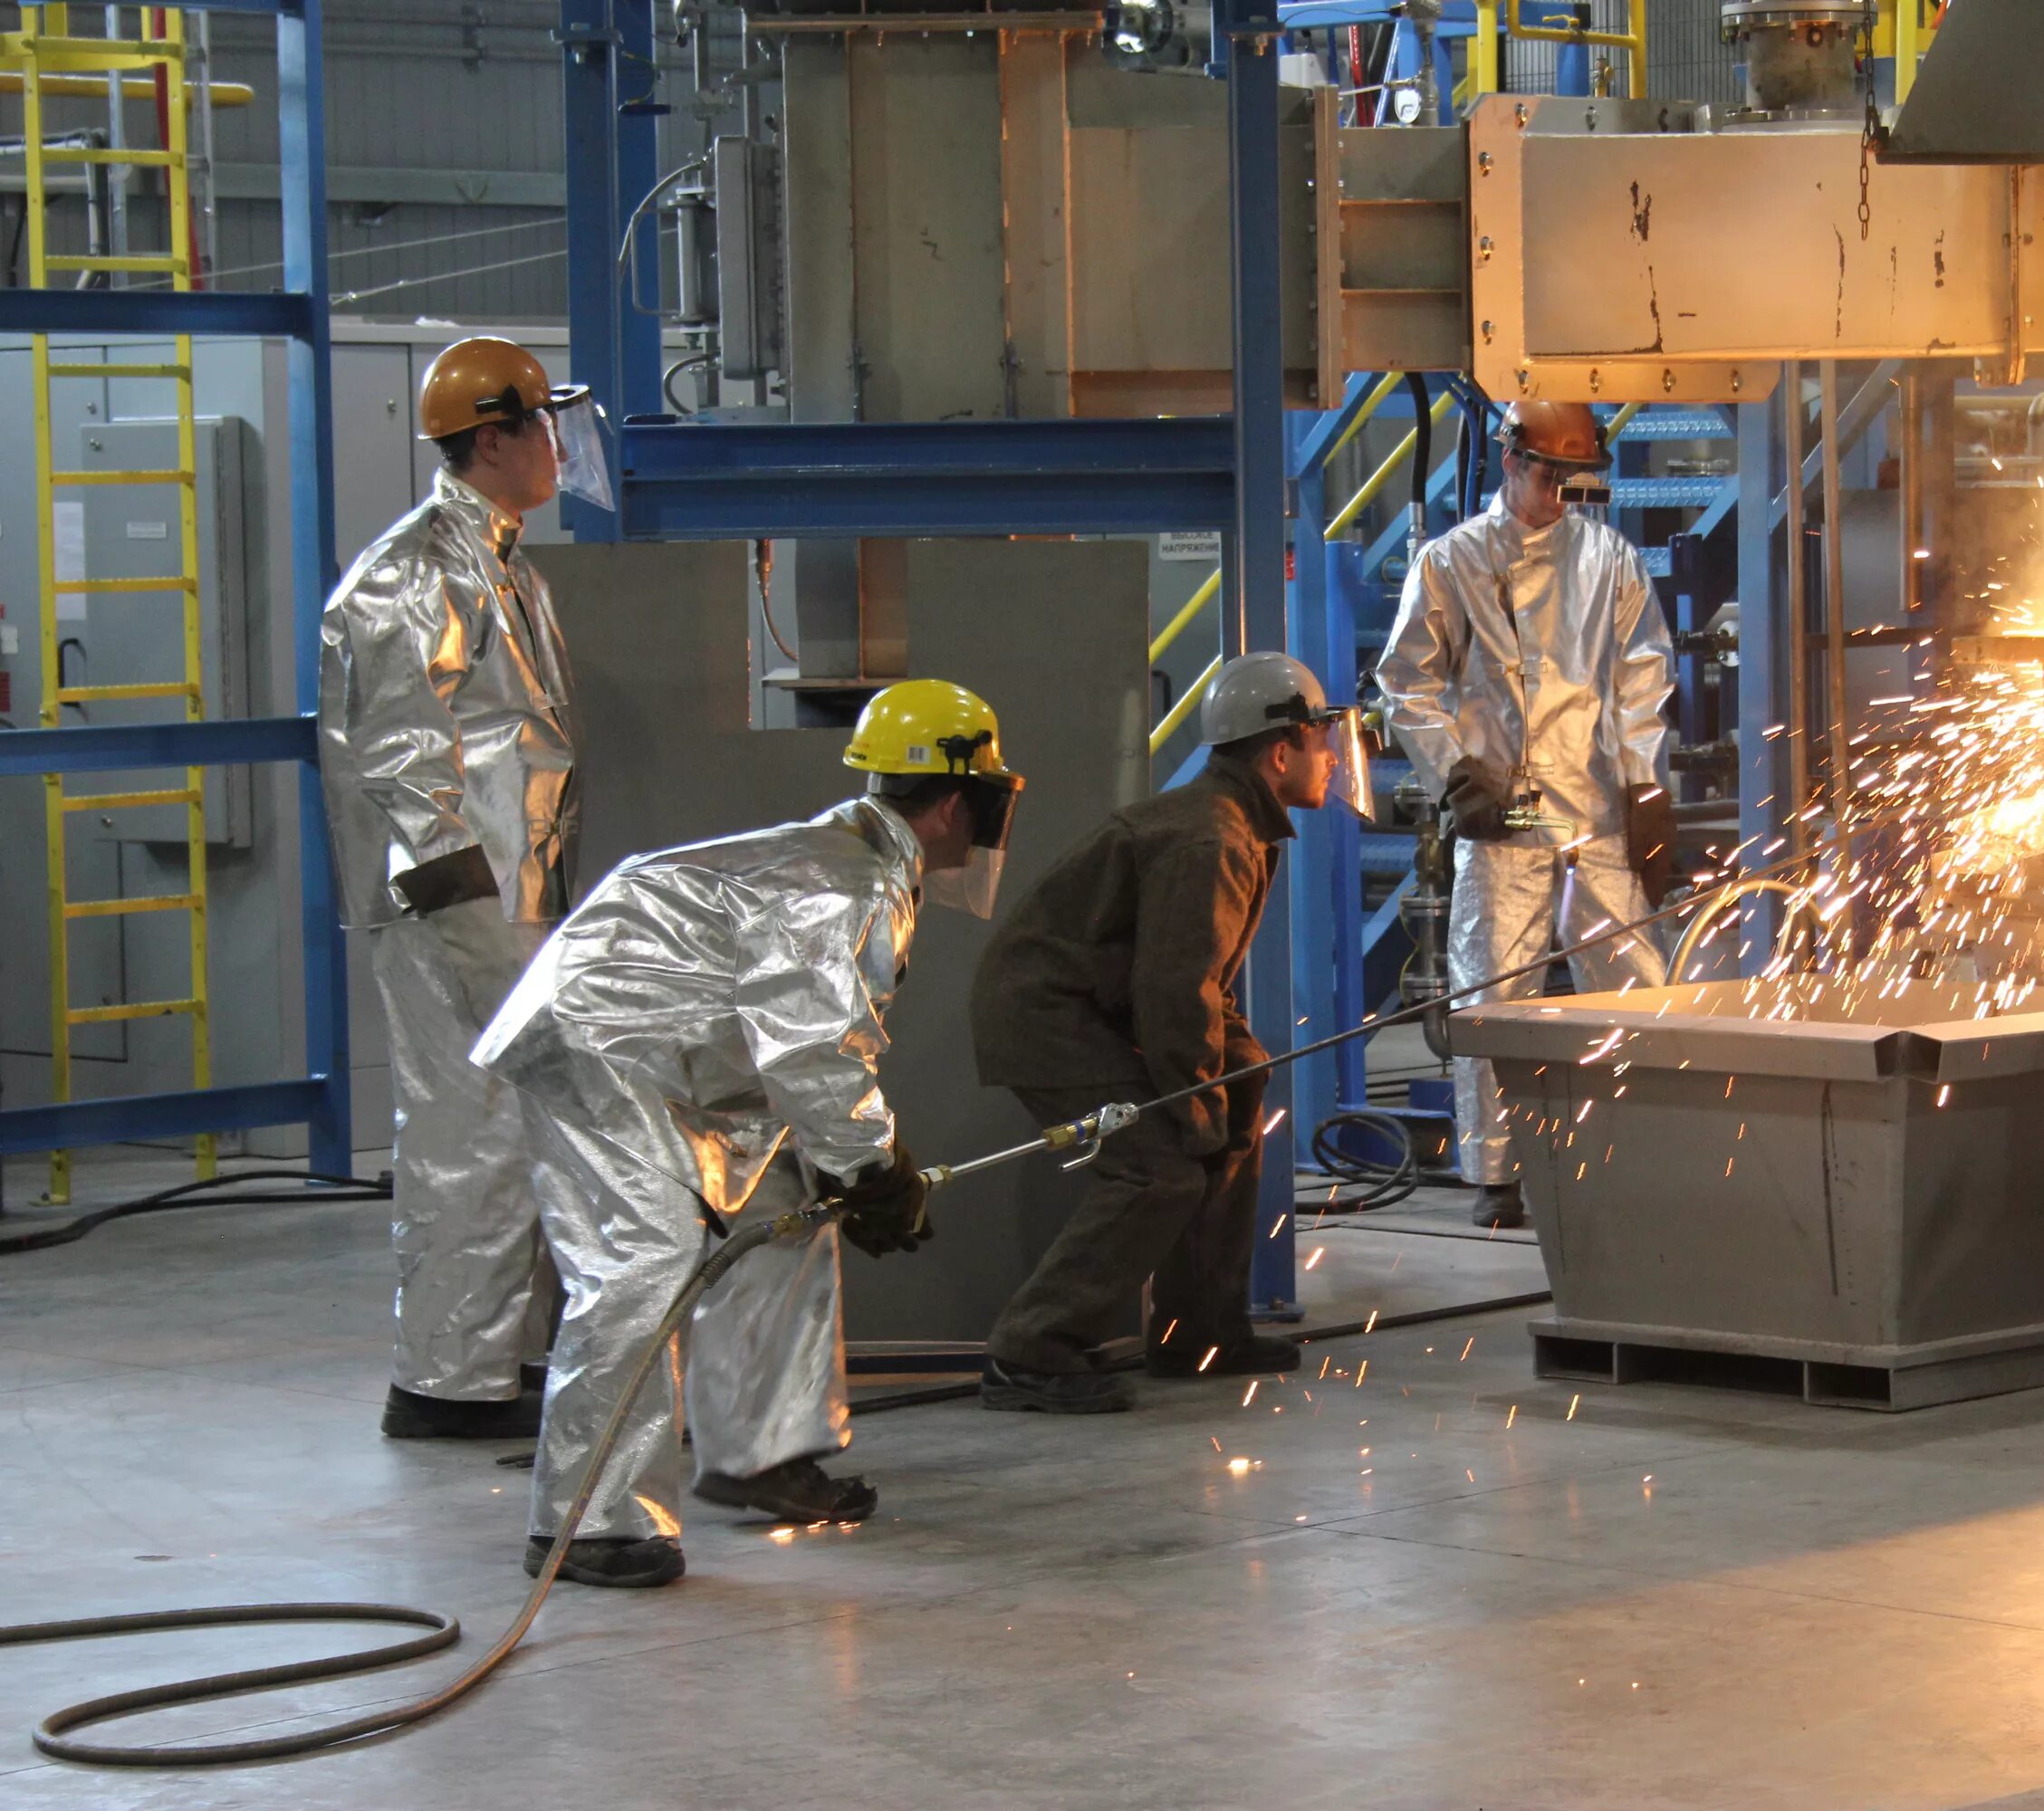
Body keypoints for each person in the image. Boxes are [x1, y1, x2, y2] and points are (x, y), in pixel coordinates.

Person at [472, 681, 1023, 1588]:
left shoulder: (852, 857)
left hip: (681, 1057)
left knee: (794, 1216)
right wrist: (877, 1168)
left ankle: (759, 1452)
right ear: (960, 802)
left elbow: (800, 1040)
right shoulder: (842, 880)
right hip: (603, 1045)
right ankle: (591, 1522)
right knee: (640, 1266)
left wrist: (852, 1173)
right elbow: (814, 1041)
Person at [317, 336, 616, 1439]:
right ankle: (445, 1381)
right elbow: (402, 767)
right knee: (469, 1129)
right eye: (543, 425)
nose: (558, 447)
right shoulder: (410, 575)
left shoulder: (498, 559)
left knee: (515, 1124)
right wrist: (475, 922)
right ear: (493, 438)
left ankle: (499, 1360)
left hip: (511, 889)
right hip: (457, 901)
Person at [971, 652, 1369, 1413]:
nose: (1332, 757)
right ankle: (1030, 1349)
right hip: (1045, 1015)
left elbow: (1193, 981)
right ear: (1279, 752)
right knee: (1163, 1169)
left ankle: (1200, 1331)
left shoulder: (1232, 821)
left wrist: (1232, 1078)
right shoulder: (1211, 839)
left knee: (1235, 1108)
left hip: (1093, 1006)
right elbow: (1173, 990)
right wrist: (1195, 1108)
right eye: (1321, 739)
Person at [1376, 399, 1676, 1230]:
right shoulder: (1453, 562)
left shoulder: (1610, 559)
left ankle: (1648, 1151)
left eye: (1580, 481)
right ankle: (1498, 1175)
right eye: (1552, 477)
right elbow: (1406, 682)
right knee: (1494, 990)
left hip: (1596, 804)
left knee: (1634, 984)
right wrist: (1454, 776)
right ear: (1511, 464)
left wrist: (1646, 786)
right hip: (1503, 814)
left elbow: (1642, 678)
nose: (1564, 495)